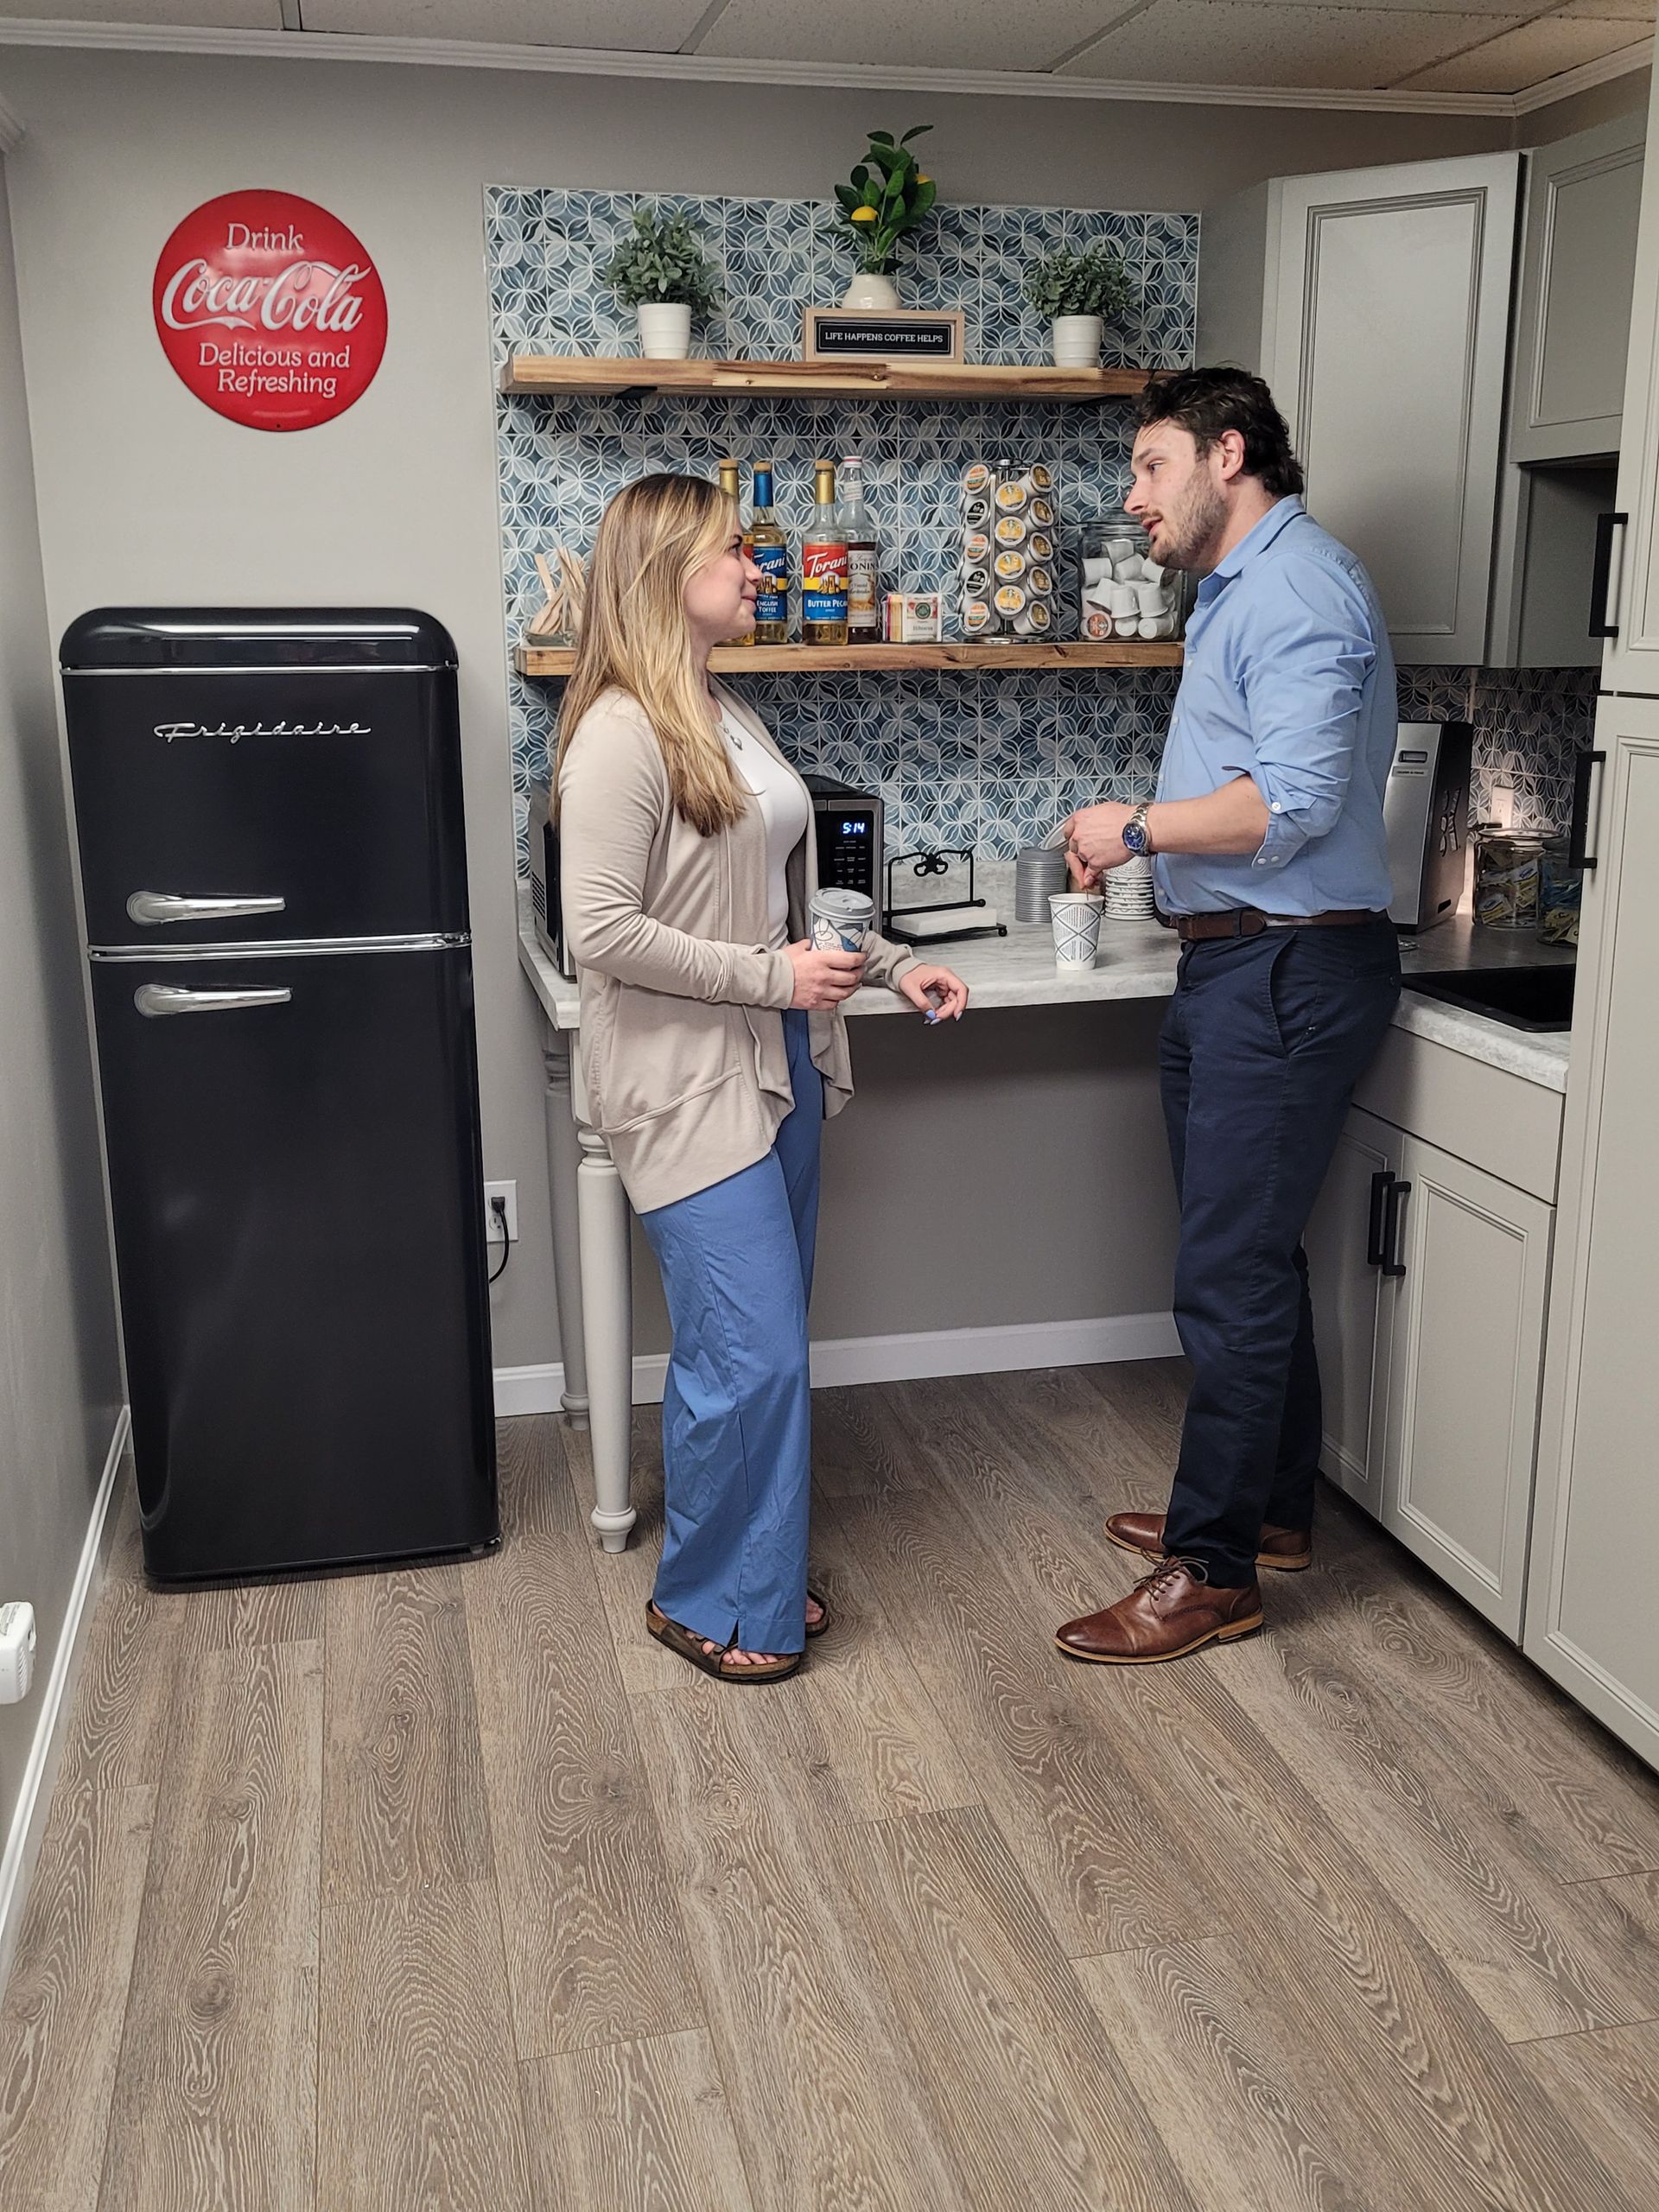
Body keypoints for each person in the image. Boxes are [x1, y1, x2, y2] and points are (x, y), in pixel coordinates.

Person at [556, 474, 968, 1683]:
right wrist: (769, 979)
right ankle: (710, 1599)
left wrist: (887, 962)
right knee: (755, 1355)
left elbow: (779, 896)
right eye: (734, 550)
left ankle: (753, 1573)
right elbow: (600, 933)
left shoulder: (721, 706)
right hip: (685, 1075)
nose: (757, 567)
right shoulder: (619, 733)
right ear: (665, 573)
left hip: (779, 1055)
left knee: (750, 1348)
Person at [1053, 367, 1402, 1666]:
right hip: (1239, 965)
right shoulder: (1236, 589)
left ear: (1228, 456)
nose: (1134, 497)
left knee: (1230, 1273)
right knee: (1252, 1259)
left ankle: (1213, 1573)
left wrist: (1136, 827)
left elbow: (1292, 803)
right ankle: (1270, 1513)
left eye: (1152, 466)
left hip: (1287, 970)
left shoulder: (1297, 589)